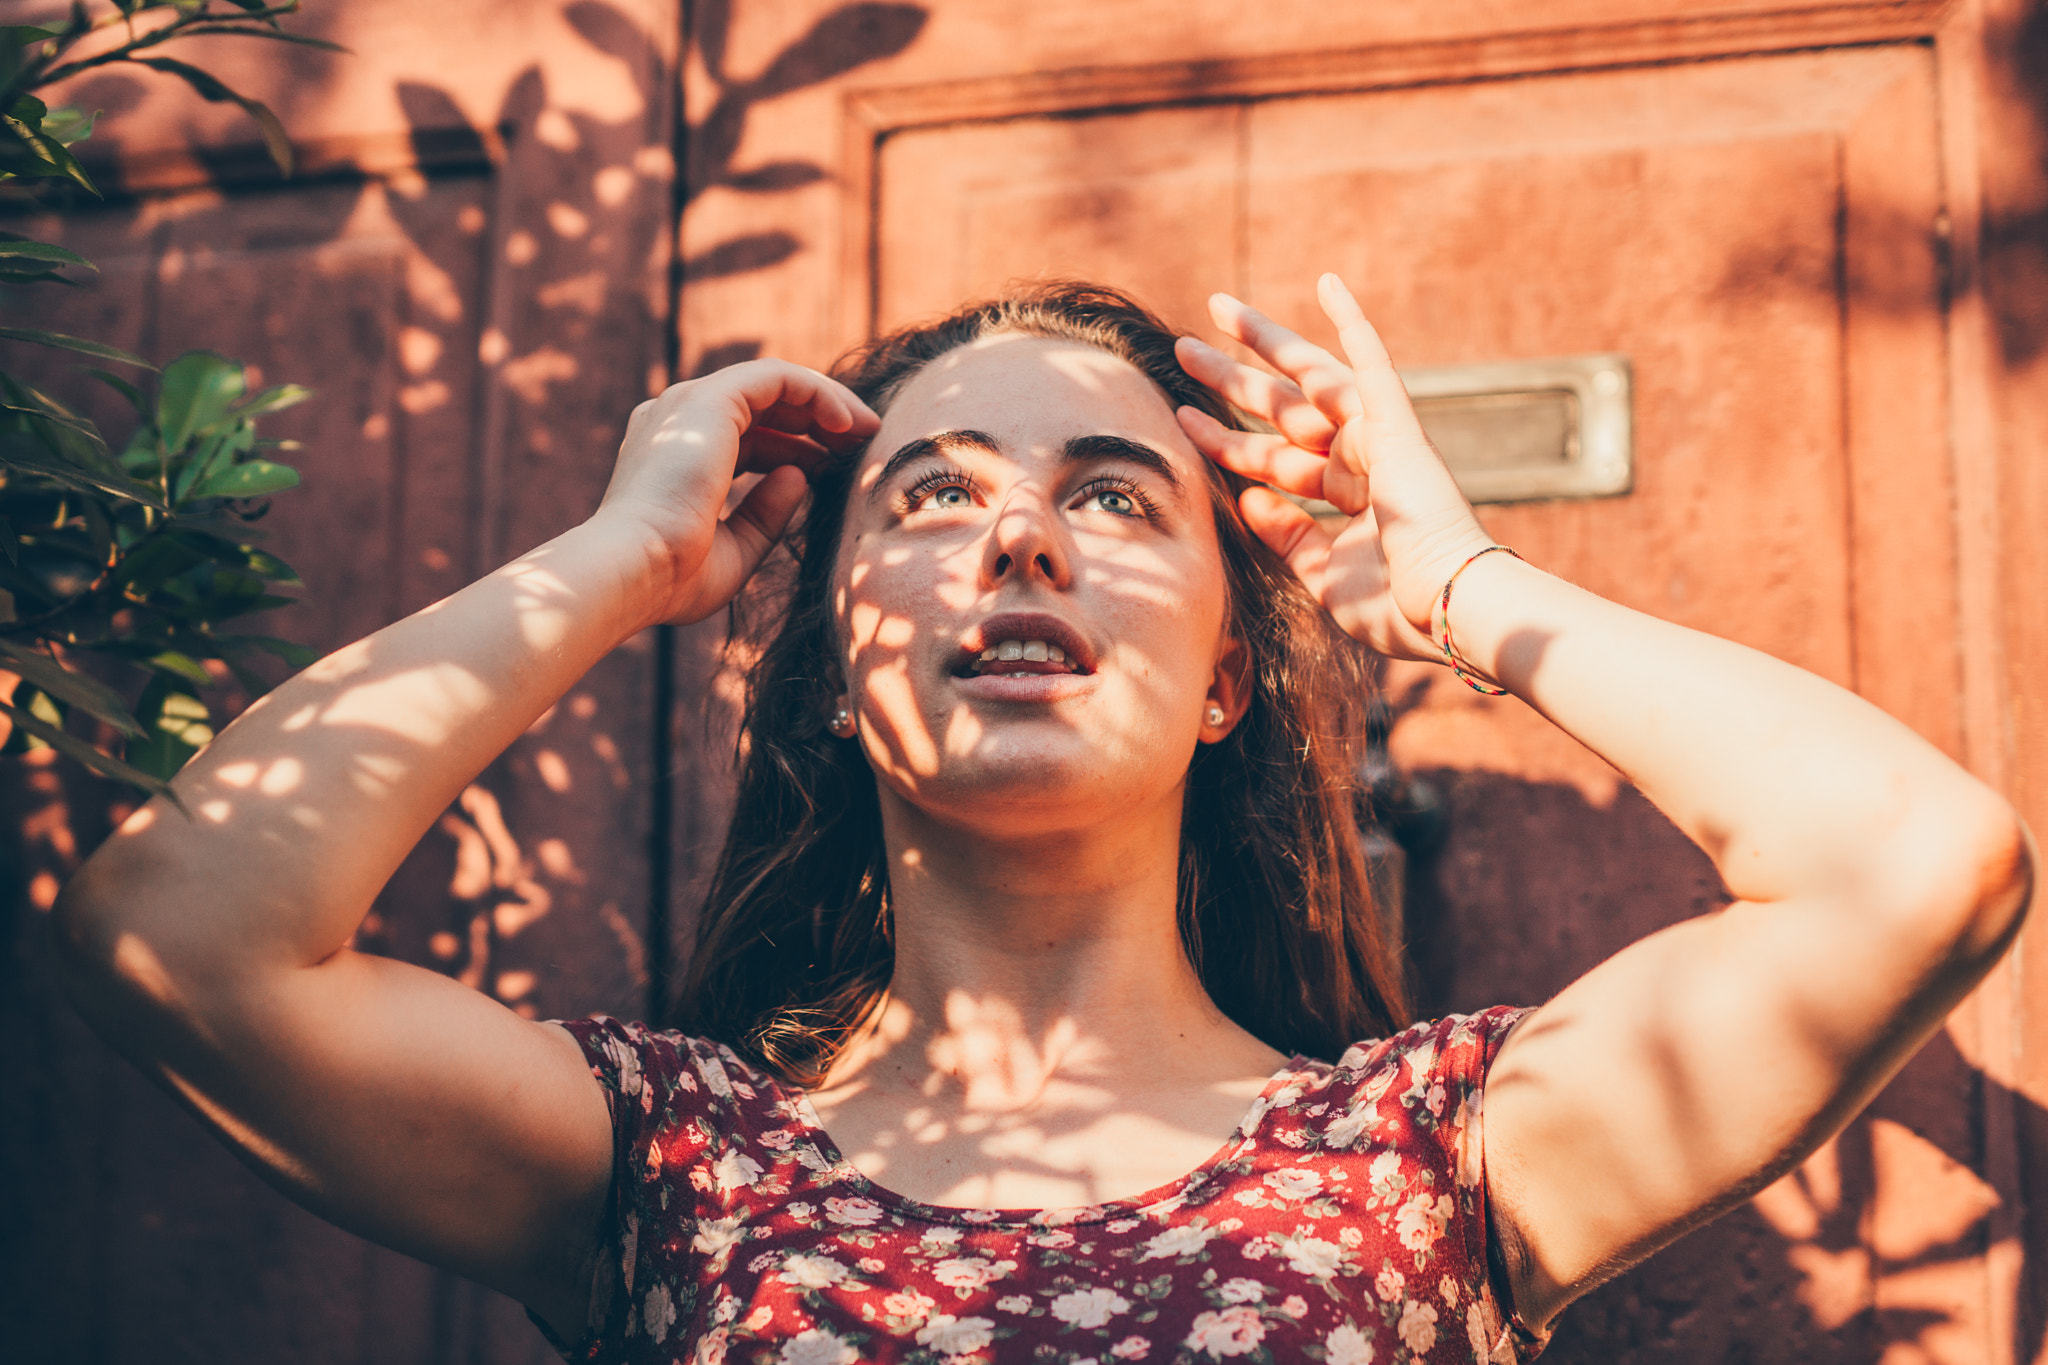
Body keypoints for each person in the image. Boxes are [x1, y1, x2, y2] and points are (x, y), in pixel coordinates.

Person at [52, 276, 2032, 1364]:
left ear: (1232, 674)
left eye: (1108, 494)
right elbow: (176, 932)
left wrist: (1440, 589)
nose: (1014, 528)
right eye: (926, 494)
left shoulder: (1433, 1157)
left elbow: (1912, 863)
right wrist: (606, 561)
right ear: (837, 665)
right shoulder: (651, 1159)